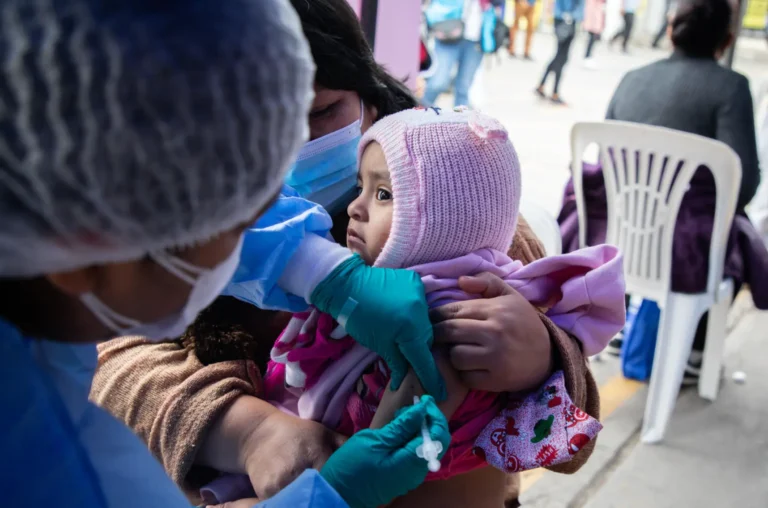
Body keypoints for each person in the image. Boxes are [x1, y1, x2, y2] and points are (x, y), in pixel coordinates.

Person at [90, 1, 601, 506]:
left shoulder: (465, 219)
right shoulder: (164, 225)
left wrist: (542, 358)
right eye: (243, 128)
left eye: (320, 112)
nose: (286, 146)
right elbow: (114, 364)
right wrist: (248, 432)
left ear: (369, 101)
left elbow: (571, 441)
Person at [0, 0, 456, 507]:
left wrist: (325, 272)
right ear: (85, 252)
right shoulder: (44, 452)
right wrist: (322, 494)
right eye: (236, 227)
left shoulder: (44, 243)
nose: (262, 229)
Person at [208, 108, 621, 507]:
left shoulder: (444, 323)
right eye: (360, 187)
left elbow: (381, 460)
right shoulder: (382, 283)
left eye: (383, 194)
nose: (355, 207)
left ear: (446, 220)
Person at [558, 0, 768, 382]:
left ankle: (620, 321)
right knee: (734, 237)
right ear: (727, 40)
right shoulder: (733, 87)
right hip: (684, 257)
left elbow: (608, 161)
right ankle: (694, 353)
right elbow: (744, 186)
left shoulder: (633, 78)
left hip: (616, 239)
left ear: (671, 29)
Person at [422, 0, 504, 108]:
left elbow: (498, 3)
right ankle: (420, 111)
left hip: (476, 36)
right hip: (448, 29)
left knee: (463, 88)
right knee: (438, 82)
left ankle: (460, 117)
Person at [535, 0, 584, 105]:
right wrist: (568, 15)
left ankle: (542, 85)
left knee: (559, 56)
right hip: (563, 21)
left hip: (567, 20)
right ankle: (555, 93)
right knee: (561, 58)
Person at [583, 0, 606, 67]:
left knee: (593, 39)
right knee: (592, 39)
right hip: (593, 20)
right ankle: (587, 56)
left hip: (596, 19)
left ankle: (589, 56)